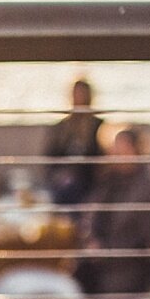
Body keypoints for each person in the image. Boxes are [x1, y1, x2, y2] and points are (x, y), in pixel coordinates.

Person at [77, 123, 150, 299]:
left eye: (122, 150)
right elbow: (91, 216)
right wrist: (92, 240)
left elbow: (143, 236)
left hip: (129, 269)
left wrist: (105, 252)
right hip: (101, 262)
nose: (116, 155)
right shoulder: (109, 181)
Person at [42, 77, 105, 206]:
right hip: (62, 184)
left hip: (87, 184)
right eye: (76, 94)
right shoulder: (62, 128)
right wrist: (60, 174)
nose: (78, 98)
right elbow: (50, 156)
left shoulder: (98, 126)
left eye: (82, 94)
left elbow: (100, 160)